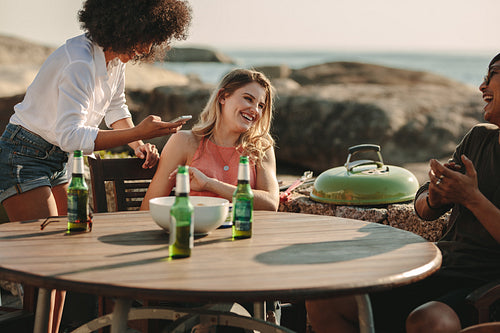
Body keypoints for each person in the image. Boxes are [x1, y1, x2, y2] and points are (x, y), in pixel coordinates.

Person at [0, 0, 191, 331]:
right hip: (24, 156)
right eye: (145, 36)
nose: (147, 47)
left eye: (152, 39)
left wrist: (137, 144)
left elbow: (115, 107)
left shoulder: (113, 59)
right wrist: (139, 131)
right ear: (123, 24)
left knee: (64, 259)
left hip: (58, 157)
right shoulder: (78, 61)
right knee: (50, 263)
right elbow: (71, 134)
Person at [306, 53, 500, 333]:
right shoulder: (478, 139)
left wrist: (471, 197)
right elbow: (422, 209)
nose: (482, 87)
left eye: (491, 75)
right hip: (438, 268)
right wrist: (436, 196)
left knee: (429, 321)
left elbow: (472, 199)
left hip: (486, 286)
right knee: (326, 301)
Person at [141, 68, 279, 211]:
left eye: (261, 106)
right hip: (194, 230)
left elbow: (270, 203)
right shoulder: (184, 142)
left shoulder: (260, 146)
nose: (255, 110)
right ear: (222, 97)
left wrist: (209, 184)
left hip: (242, 231)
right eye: (248, 99)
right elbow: (149, 208)